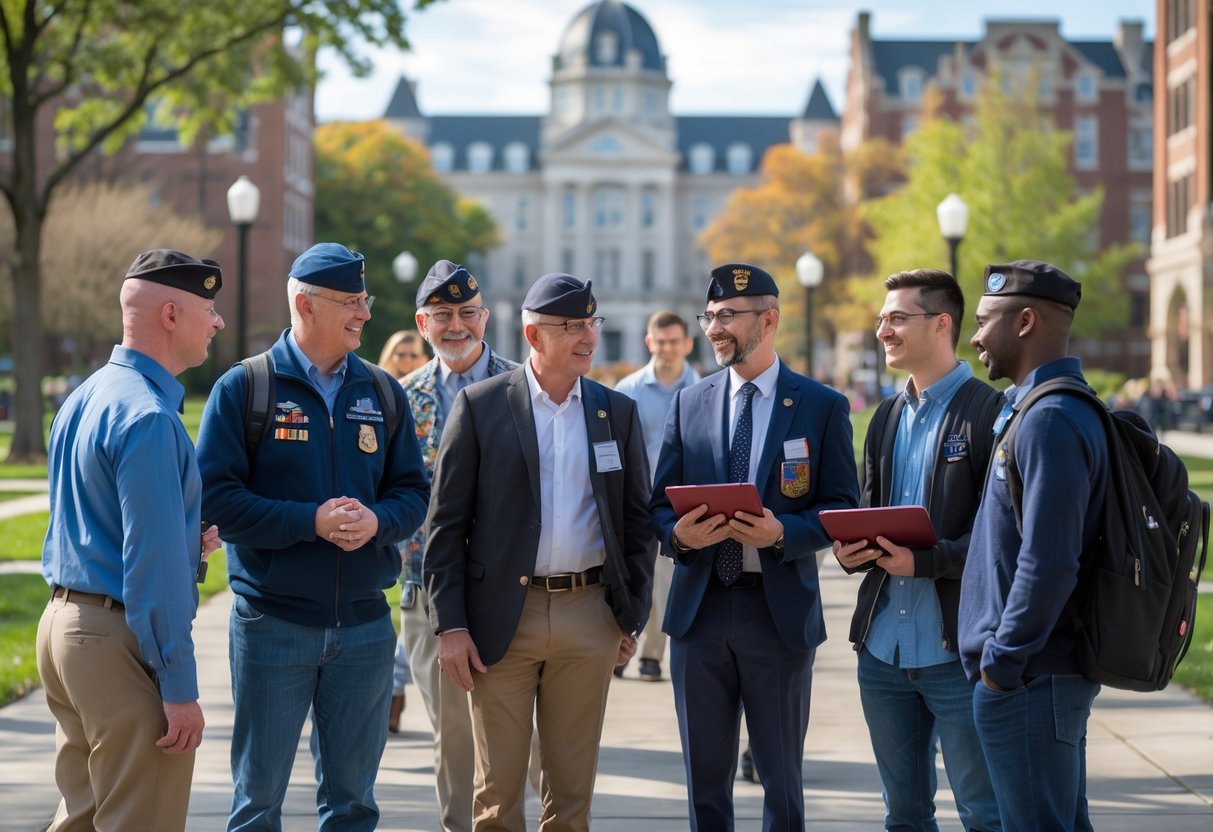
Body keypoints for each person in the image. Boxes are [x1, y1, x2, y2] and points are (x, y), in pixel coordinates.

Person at [196, 242, 430, 832]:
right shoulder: (243, 388)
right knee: (258, 802)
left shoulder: (382, 391)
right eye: (351, 301)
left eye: (364, 299)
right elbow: (216, 502)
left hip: (365, 627)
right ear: (305, 303)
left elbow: (414, 493)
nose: (365, 314)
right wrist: (312, 522)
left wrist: (379, 523)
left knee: (353, 805)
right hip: (271, 625)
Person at [424, 273, 655, 831]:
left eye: (591, 324)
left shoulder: (613, 412)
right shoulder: (481, 407)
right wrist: (450, 625)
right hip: (500, 622)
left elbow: (636, 523)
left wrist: (631, 615)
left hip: (589, 614)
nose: (587, 337)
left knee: (571, 796)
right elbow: (446, 525)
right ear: (532, 333)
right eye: (570, 326)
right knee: (497, 798)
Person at [650, 263, 859, 830]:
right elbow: (657, 506)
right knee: (704, 786)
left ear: (768, 320)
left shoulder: (820, 406)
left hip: (779, 616)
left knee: (781, 785)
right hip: (701, 613)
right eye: (710, 316)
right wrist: (677, 535)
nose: (714, 328)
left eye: (727, 317)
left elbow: (842, 508)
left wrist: (785, 534)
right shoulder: (689, 403)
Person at [37, 249, 225, 831]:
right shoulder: (148, 416)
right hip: (118, 639)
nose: (218, 322)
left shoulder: (87, 396)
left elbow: (90, 521)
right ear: (171, 315)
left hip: (65, 630)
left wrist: (182, 539)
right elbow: (153, 568)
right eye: (209, 308)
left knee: (84, 818)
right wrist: (179, 685)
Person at [831, 269, 1002, 832]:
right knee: (903, 815)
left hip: (957, 657)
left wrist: (925, 562)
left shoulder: (989, 413)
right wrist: (851, 550)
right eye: (882, 319)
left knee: (983, 811)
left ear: (941, 324)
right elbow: (874, 513)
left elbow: (1002, 535)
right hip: (882, 653)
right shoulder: (884, 416)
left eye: (897, 318)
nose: (883, 330)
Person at [959, 260, 1106, 831]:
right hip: (1031, 677)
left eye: (982, 320)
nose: (974, 336)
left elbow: (1049, 562)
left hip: (1029, 679)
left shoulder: (1051, 418)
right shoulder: (1036, 408)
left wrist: (1002, 666)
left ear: (1023, 321)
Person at [395, 259, 518, 830]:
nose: (456, 325)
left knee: (524, 740)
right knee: (454, 739)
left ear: (485, 318)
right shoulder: (398, 401)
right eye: (442, 315)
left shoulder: (526, 388)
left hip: (515, 590)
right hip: (427, 594)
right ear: (422, 323)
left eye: (467, 313)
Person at [613, 309, 698, 682]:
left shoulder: (704, 392)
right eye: (660, 342)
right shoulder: (627, 391)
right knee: (629, 578)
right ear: (649, 342)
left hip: (678, 508)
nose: (667, 349)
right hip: (632, 502)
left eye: (674, 342)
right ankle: (619, 645)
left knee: (664, 582)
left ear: (687, 345)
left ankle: (651, 655)